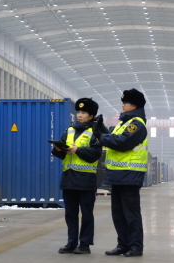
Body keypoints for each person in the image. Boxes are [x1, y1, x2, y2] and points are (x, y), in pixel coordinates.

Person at [92, 89, 148, 257]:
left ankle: (136, 246)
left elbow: (122, 142)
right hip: (118, 175)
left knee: (130, 214)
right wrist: (101, 127)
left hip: (130, 174)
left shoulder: (136, 124)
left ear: (134, 105)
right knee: (118, 213)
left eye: (126, 103)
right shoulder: (124, 123)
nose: (123, 105)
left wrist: (99, 136)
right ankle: (123, 244)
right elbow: (112, 135)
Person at [51, 98, 103, 255]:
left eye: (84, 112)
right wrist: (58, 149)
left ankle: (85, 244)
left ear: (91, 116)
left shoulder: (95, 133)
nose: (79, 115)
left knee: (87, 214)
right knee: (70, 214)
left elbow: (95, 154)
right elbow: (61, 154)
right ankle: (71, 243)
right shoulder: (69, 131)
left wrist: (77, 150)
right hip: (69, 179)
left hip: (86, 181)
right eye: (78, 112)